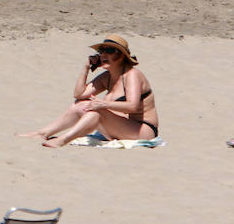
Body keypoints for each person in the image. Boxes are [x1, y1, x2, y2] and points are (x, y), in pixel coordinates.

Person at [19, 35, 159, 148]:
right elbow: (79, 94)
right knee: (80, 104)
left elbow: (132, 106)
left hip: (143, 130)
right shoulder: (107, 77)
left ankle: (63, 140)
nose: (104, 55)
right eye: (101, 51)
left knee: (97, 111)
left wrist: (103, 104)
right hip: (120, 128)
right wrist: (86, 68)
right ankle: (43, 133)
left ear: (121, 56)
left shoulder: (132, 75)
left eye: (109, 51)